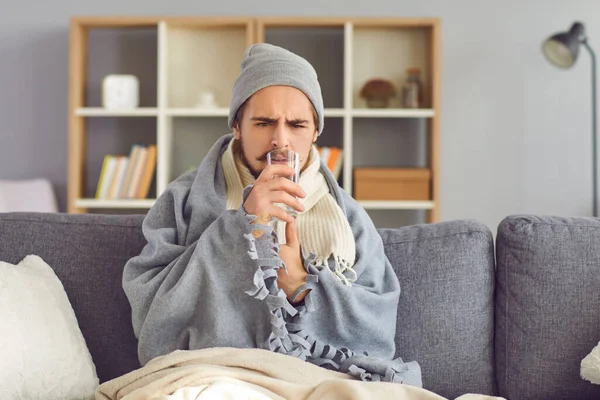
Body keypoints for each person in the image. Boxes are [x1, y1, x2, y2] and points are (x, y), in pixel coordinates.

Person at [122, 43, 421, 386]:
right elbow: (150, 314)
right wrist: (239, 230)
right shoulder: (183, 200)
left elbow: (378, 330)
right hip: (215, 375)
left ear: (316, 131)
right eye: (264, 123)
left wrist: (300, 285)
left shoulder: (348, 217)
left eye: (296, 125)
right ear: (237, 126)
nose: (281, 141)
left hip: (317, 378)